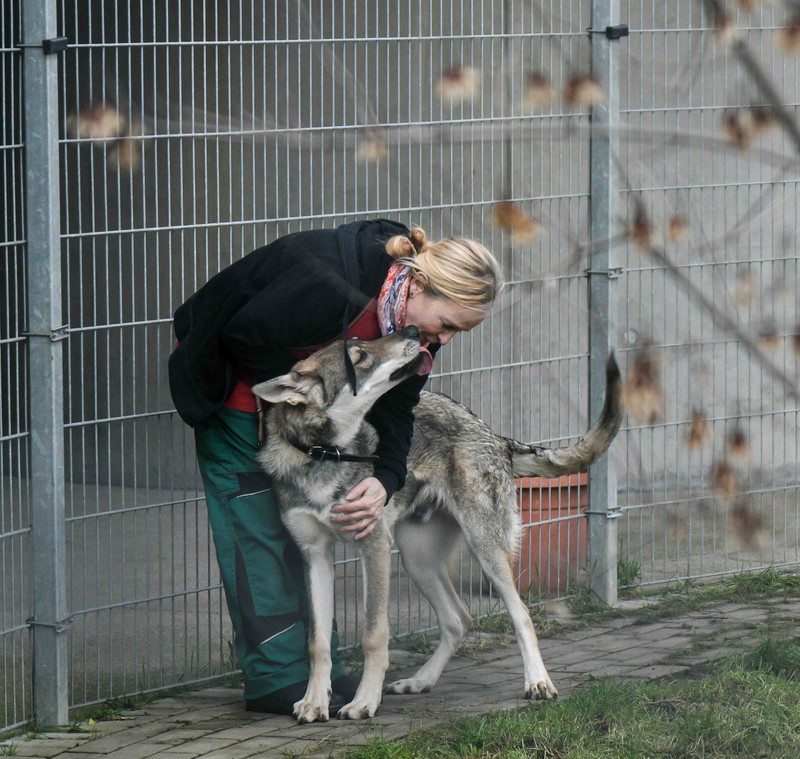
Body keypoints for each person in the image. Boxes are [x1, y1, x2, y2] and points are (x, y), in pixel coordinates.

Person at [168, 218, 502, 715]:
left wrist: (384, 484)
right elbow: (243, 335)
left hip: (303, 398)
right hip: (233, 381)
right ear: (419, 285)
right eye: (448, 323)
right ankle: (275, 679)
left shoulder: (410, 334)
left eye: (458, 331)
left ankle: (323, 676)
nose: (446, 339)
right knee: (257, 528)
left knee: (310, 542)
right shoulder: (330, 283)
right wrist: (291, 409)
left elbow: (396, 412)